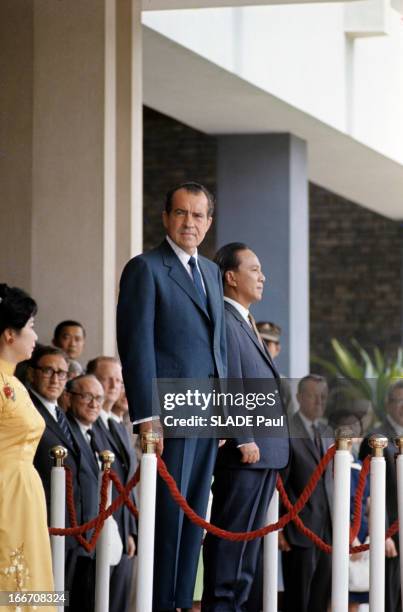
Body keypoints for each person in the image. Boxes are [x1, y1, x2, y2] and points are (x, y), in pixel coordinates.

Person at [117, 182, 227, 611]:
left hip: (206, 414)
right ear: (166, 218)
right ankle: (160, 602)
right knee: (168, 518)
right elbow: (136, 346)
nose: (189, 223)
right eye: (181, 213)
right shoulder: (145, 268)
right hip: (168, 411)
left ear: (208, 223)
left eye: (198, 216)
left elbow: (216, 348)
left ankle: (182, 602)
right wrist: (147, 415)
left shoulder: (213, 273)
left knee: (194, 516)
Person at [202, 243, 289, 611]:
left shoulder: (246, 320)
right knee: (232, 548)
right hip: (246, 454)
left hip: (263, 454)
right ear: (231, 276)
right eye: (254, 269)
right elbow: (228, 380)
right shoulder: (225, 319)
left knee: (247, 554)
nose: (262, 276)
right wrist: (244, 437)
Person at [0, 284, 54, 608]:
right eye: (31, 328)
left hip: (23, 493)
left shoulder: (15, 382)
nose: (35, 337)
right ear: (9, 335)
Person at [28, 345, 81, 594]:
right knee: (41, 594)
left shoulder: (61, 413)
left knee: (63, 596)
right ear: (32, 373)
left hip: (71, 525)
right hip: (42, 521)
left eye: (62, 373)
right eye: (48, 370)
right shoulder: (27, 410)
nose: (56, 378)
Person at [280, 374, 333, 612]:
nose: (319, 402)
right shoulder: (287, 430)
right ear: (300, 398)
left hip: (326, 533)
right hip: (298, 532)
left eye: (323, 397)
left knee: (320, 600)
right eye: (314, 396)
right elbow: (279, 483)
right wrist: (280, 528)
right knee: (298, 600)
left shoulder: (326, 431)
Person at [88, 356, 137, 612]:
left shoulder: (115, 424)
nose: (114, 385)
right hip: (99, 524)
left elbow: (128, 479)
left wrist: (131, 529)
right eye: (107, 379)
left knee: (117, 598)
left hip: (122, 521)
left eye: (118, 380)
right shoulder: (90, 421)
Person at [359, 380, 403, 612]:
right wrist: (383, 533)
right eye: (399, 401)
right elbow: (370, 494)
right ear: (388, 404)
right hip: (391, 535)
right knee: (389, 596)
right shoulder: (376, 440)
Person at [64, 374, 105, 612]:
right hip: (69, 531)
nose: (94, 404)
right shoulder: (65, 427)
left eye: (98, 398)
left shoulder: (96, 432)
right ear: (69, 397)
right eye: (87, 396)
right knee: (62, 598)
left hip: (91, 534)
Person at [256, 320, 294, 414]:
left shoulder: (284, 385)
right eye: (257, 343)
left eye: (267, 343)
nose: (261, 347)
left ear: (277, 349)